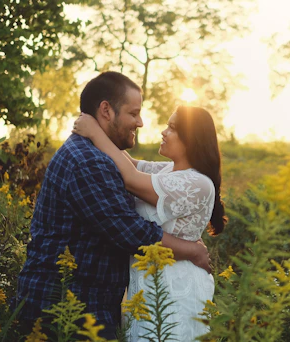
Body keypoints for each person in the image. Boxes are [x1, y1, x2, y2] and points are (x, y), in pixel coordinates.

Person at [15, 72, 211, 340]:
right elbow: (129, 231)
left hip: (92, 301)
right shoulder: (89, 162)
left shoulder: (95, 155)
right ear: (106, 110)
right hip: (67, 304)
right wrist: (193, 251)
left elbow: (130, 169)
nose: (141, 122)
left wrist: (96, 132)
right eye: (134, 113)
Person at [72, 105, 227, 341]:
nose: (163, 132)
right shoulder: (167, 171)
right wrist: (99, 125)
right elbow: (128, 163)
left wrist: (94, 132)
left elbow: (131, 178)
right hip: (146, 287)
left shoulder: (198, 183)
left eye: (172, 128)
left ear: (192, 139)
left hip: (175, 288)